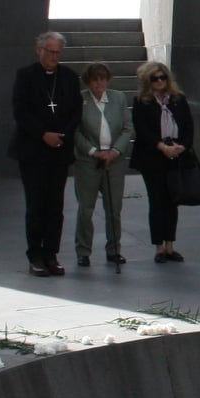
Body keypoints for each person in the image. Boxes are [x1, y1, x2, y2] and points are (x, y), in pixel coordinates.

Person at [7, 31, 82, 277]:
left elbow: (75, 111)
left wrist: (61, 135)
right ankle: (35, 255)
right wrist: (43, 134)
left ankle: (51, 254)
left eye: (58, 52)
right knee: (36, 204)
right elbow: (20, 111)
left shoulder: (69, 77)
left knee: (55, 206)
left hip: (59, 150)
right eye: (50, 51)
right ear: (39, 50)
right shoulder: (26, 76)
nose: (54, 56)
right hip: (33, 151)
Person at [130, 60, 194, 263]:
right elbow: (142, 131)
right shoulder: (142, 102)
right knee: (157, 201)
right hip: (152, 157)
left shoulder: (178, 99)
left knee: (172, 201)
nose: (159, 81)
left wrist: (181, 146)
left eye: (162, 77)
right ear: (148, 81)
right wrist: (161, 147)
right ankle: (158, 247)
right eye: (155, 78)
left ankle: (170, 245)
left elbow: (189, 126)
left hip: (175, 155)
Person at [71, 61, 132, 268]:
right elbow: (75, 130)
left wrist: (115, 151)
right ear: (88, 81)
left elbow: (127, 128)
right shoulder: (80, 99)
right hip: (88, 161)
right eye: (95, 79)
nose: (99, 83)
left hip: (114, 161)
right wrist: (93, 151)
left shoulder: (118, 98)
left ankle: (114, 249)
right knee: (86, 209)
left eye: (102, 79)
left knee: (114, 208)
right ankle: (83, 251)